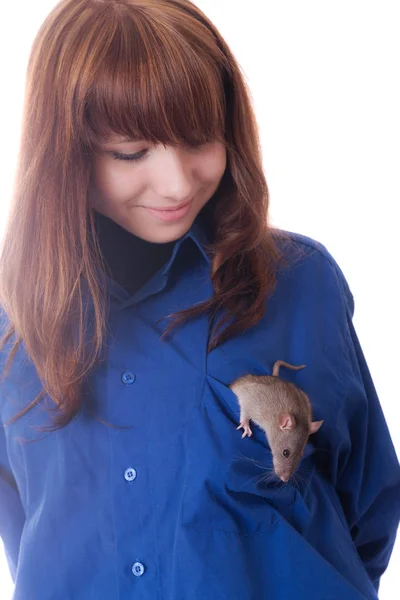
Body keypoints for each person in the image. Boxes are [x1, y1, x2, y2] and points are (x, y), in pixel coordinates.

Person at [0, 1, 399, 599]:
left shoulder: (299, 283)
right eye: (131, 152)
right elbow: (23, 522)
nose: (179, 183)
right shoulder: (13, 317)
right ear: (65, 153)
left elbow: (367, 504)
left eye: (199, 138)